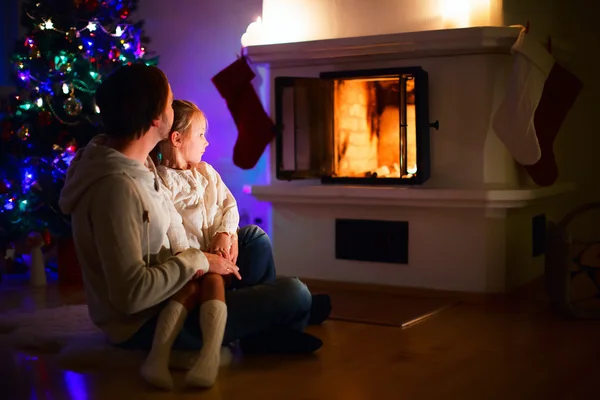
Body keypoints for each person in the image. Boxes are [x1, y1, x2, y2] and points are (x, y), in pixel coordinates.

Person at [58, 64, 328, 390]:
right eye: (169, 102)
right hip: (149, 321)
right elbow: (130, 297)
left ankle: (264, 328)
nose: (175, 106)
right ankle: (272, 323)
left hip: (179, 283)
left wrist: (220, 240)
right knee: (295, 293)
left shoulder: (139, 163)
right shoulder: (117, 189)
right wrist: (200, 261)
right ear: (157, 118)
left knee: (253, 240)